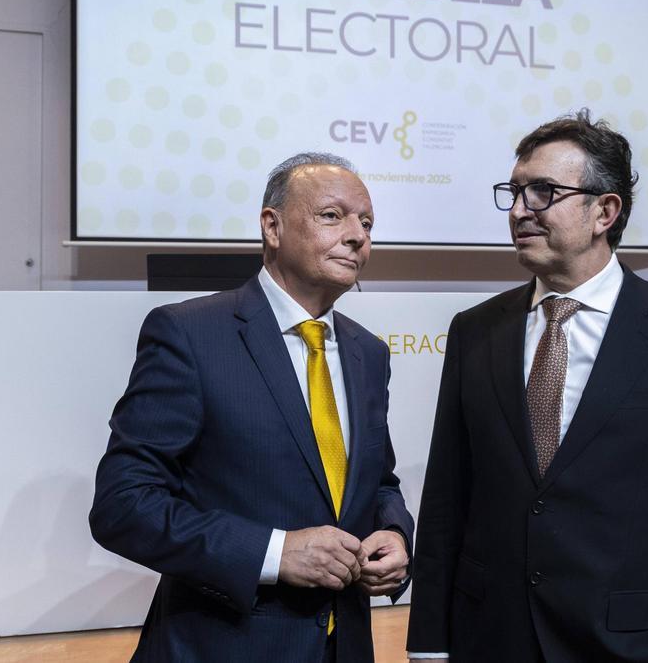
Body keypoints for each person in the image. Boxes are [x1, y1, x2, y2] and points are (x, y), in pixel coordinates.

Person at [405, 110, 648, 662]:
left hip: (641, 644)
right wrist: (430, 643)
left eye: (541, 193)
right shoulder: (475, 331)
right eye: (512, 193)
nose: (517, 211)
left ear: (604, 211)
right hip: (493, 639)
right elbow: (446, 501)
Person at [90, 153, 414, 663]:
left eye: (367, 222)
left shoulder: (368, 352)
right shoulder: (190, 334)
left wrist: (394, 534)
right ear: (272, 226)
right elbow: (123, 507)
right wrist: (273, 554)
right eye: (332, 215)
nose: (356, 235)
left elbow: (377, 483)